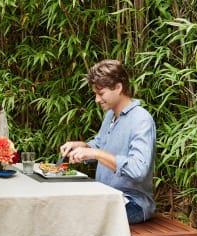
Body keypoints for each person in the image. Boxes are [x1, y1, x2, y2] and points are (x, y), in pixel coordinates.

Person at [60, 59, 156, 224]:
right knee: (64, 205)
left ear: (118, 88)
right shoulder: (110, 115)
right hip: (106, 196)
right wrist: (82, 147)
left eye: (101, 93)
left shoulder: (141, 120)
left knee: (78, 218)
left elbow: (138, 170)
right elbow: (99, 145)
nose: (97, 99)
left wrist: (95, 153)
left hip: (133, 202)